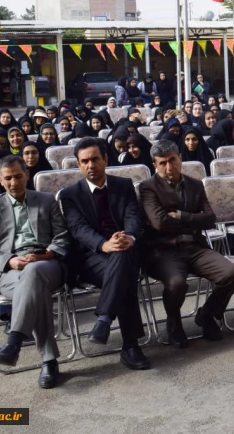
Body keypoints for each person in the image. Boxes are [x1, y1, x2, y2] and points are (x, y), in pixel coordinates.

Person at [0, 155, 71, 388]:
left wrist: (48, 253)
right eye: (8, 178)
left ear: (27, 174)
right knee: (32, 285)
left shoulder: (46, 200)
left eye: (18, 176)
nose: (14, 182)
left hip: (46, 263)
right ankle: (48, 360)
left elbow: (63, 237)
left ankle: (14, 341)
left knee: (35, 273)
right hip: (9, 272)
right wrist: (10, 261)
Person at [139, 141, 234, 348]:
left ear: (180, 158)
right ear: (154, 165)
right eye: (162, 163)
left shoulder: (195, 184)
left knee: (231, 274)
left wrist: (181, 216)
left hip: (195, 246)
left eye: (172, 160)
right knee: (177, 284)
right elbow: (159, 223)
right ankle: (174, 323)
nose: (168, 167)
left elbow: (210, 219)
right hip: (164, 250)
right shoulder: (147, 188)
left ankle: (207, 314)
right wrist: (193, 220)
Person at [59, 138, 150, 370]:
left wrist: (129, 236)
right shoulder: (69, 195)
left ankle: (104, 318)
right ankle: (130, 346)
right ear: (79, 165)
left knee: (123, 257)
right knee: (124, 272)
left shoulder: (123, 185)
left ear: (105, 159)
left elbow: (132, 216)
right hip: (91, 257)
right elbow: (79, 229)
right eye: (85, 161)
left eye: (95, 159)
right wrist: (104, 245)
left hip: (125, 248)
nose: (91, 165)